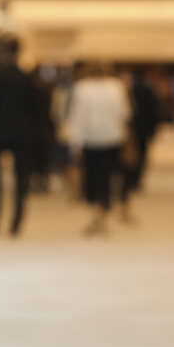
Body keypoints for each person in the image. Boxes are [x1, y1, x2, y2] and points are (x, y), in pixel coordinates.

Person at [0, 39, 39, 236]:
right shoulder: (26, 77)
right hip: (22, 133)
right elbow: (34, 108)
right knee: (21, 180)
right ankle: (16, 223)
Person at [68, 63, 132, 235]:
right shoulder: (117, 88)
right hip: (113, 138)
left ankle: (95, 214)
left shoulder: (81, 88)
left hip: (90, 139)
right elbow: (124, 114)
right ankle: (103, 215)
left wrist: (75, 142)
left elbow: (78, 116)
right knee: (107, 177)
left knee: (91, 177)